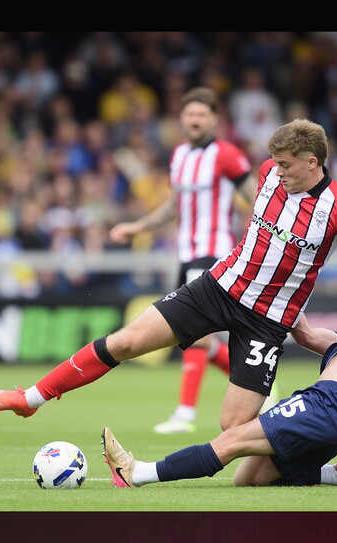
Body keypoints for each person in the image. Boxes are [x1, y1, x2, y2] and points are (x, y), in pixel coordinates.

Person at [0, 118, 337, 436]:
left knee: (234, 428)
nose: (278, 170)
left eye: (288, 165)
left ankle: (323, 459)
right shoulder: (268, 173)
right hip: (218, 287)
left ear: (312, 162)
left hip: (267, 320)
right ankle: (32, 398)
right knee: (127, 341)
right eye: (276, 164)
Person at [101, 252, 337, 488]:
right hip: (334, 414)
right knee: (249, 477)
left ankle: (138, 473)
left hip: (332, 404)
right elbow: (309, 334)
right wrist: (282, 282)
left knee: (232, 441)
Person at [108, 87, 258, 434]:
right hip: (185, 254)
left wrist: (257, 240)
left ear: (214, 119)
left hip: (213, 252)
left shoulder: (226, 154)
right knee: (194, 337)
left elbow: (255, 196)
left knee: (194, 333)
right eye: (190, 114)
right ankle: (264, 392)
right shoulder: (179, 156)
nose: (195, 119)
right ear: (181, 118)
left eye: (202, 114)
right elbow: (175, 205)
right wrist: (138, 226)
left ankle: (185, 414)